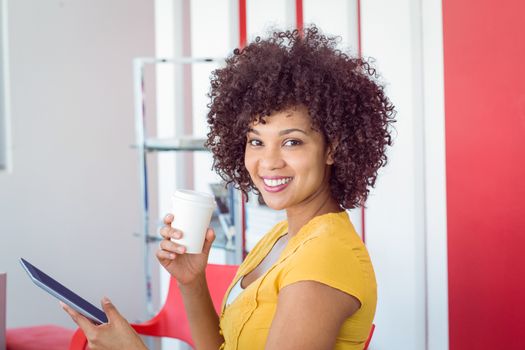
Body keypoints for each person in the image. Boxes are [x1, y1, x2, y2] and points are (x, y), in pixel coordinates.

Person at [61, 25, 395, 350]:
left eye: (291, 142)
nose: (269, 162)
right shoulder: (280, 237)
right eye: (256, 142)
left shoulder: (324, 257)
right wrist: (191, 281)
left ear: (334, 148)